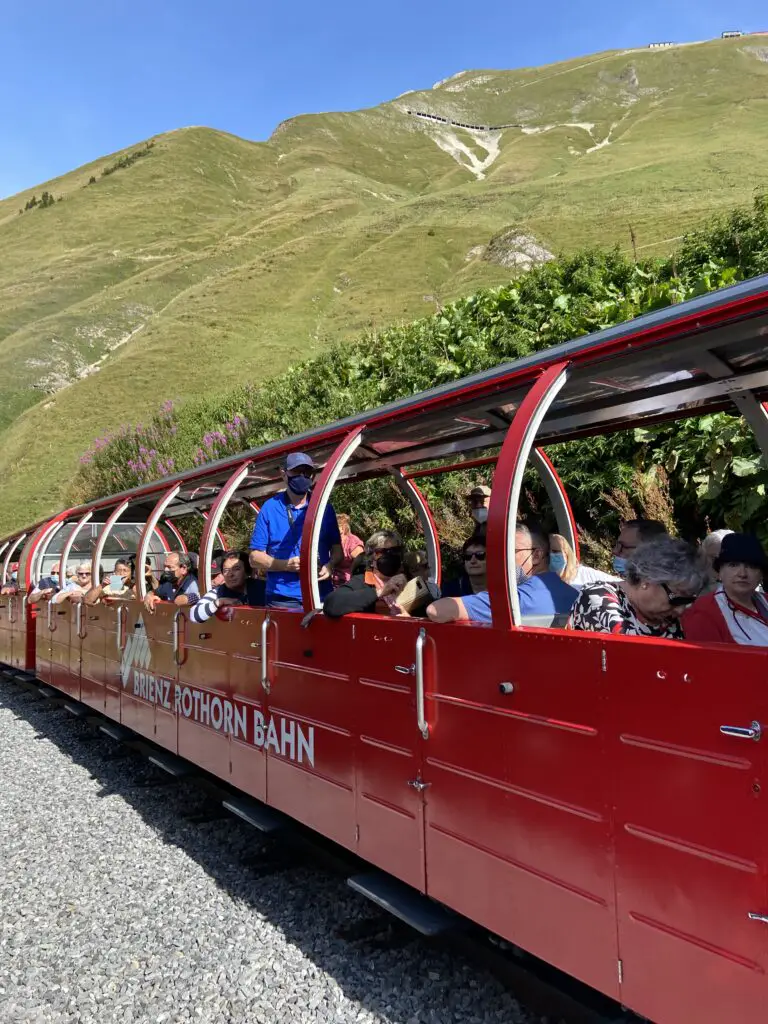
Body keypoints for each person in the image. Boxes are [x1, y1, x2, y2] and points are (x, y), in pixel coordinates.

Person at [427, 522, 578, 625]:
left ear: (536, 556)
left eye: (510, 552)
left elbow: (436, 610)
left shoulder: (517, 599)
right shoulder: (574, 593)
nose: (501, 559)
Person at [249, 453, 341, 609]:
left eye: (307, 472)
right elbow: (254, 558)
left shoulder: (324, 506)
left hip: (321, 593)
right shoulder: (270, 508)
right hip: (283, 598)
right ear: (283, 474)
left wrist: (330, 565)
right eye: (296, 472)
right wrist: (285, 565)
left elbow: (338, 550)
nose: (302, 476)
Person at [569, 536, 702, 638]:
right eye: (676, 599)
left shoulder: (666, 618)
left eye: (687, 601)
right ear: (647, 580)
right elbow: (629, 655)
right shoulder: (598, 598)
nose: (680, 610)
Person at [683, 533, 768, 645]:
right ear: (720, 572)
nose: (742, 573)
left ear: (761, 574)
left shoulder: (765, 600)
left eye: (751, 566)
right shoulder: (704, 612)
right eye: (733, 565)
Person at [323, 530, 409, 618]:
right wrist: (379, 592)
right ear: (372, 558)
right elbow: (331, 604)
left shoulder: (406, 581)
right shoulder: (362, 582)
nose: (392, 556)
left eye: (396, 551)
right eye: (386, 552)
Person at [190, 551, 265, 623]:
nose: (230, 574)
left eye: (236, 569)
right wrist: (219, 602)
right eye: (226, 570)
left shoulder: (263, 588)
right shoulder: (218, 592)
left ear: (247, 572)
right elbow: (194, 615)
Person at [549, 534, 617, 588]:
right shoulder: (542, 582)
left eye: (555, 551)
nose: (550, 555)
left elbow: (619, 583)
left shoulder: (585, 574)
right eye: (547, 553)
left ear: (566, 554)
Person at [332, 514, 365, 586]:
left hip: (347, 584)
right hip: (332, 581)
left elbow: (361, 561)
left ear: (342, 528)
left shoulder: (352, 541)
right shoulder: (332, 540)